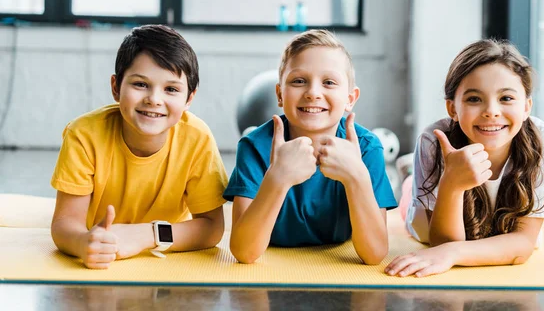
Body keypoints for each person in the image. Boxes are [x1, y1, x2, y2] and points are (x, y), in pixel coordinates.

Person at [50, 25, 228, 269]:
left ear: (189, 99)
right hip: (100, 241)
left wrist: (146, 235)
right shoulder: (84, 134)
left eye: (171, 89)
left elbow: (212, 227)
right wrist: (83, 242)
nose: (154, 99)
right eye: (140, 84)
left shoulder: (198, 139)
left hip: (165, 249)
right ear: (116, 87)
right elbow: (65, 222)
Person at [386, 39, 544, 278]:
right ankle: (411, 176)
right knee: (409, 199)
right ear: (452, 109)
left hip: (501, 223)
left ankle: (411, 170)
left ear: (527, 107)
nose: (491, 111)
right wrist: (452, 184)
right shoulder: (433, 140)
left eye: (506, 98)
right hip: (433, 215)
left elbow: (522, 244)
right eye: (474, 99)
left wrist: (453, 254)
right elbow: (441, 243)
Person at [224, 29, 398, 264]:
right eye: (298, 81)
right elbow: (244, 252)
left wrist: (356, 176)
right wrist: (278, 178)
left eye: (329, 82)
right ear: (279, 94)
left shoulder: (367, 148)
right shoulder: (254, 146)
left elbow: (375, 254)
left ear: (350, 98)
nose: (313, 93)